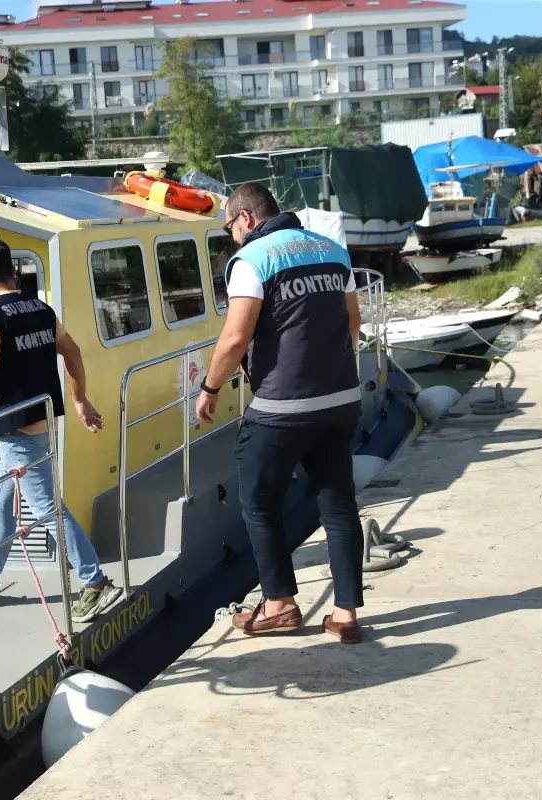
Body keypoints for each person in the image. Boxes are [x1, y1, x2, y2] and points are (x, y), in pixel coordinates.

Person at [195, 182, 366, 644]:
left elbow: (235, 338)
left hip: (280, 407)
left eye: (229, 225)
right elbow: (352, 321)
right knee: (338, 505)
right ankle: (346, 615)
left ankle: (279, 605)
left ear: (246, 218)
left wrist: (209, 387)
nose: (231, 235)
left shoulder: (253, 261)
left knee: (260, 503)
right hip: (340, 400)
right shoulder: (332, 251)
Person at [0, 238, 123, 623]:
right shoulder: (41, 309)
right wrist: (78, 399)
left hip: (15, 428)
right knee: (0, 500)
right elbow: (72, 352)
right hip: (42, 418)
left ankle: (95, 583)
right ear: (12, 270)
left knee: (46, 509)